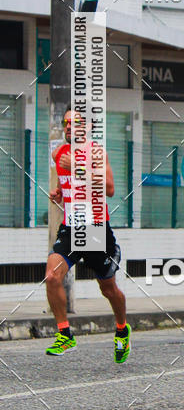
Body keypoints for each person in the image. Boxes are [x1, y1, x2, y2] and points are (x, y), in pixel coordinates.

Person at [45, 107, 130, 362]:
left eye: (76, 123)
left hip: (95, 230)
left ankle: (121, 328)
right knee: (51, 276)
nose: (69, 127)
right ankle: (65, 334)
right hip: (71, 228)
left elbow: (111, 189)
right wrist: (60, 192)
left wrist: (79, 167)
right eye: (66, 123)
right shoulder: (58, 153)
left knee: (108, 288)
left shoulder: (96, 154)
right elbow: (64, 180)